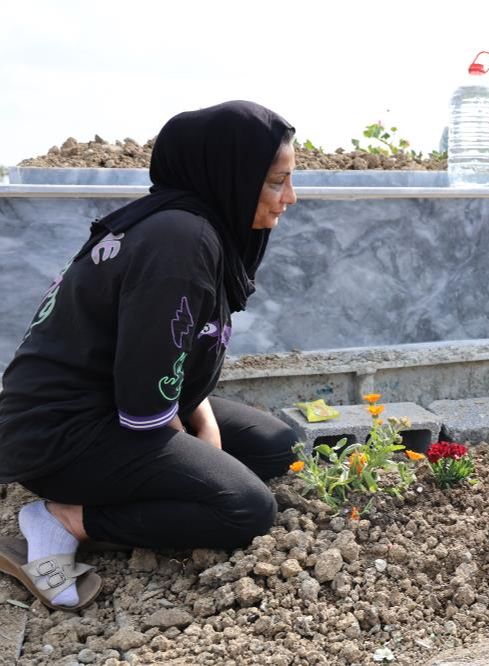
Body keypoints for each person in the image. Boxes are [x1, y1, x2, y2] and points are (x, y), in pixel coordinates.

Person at [0, 101, 299, 611]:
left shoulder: (187, 225)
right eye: (275, 182)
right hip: (62, 432)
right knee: (246, 509)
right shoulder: (180, 240)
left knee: (276, 446)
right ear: (228, 175)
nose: (289, 198)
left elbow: (168, 349)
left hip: (106, 400)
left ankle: (108, 499)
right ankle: (62, 519)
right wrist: (199, 451)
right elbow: (144, 405)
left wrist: (202, 422)